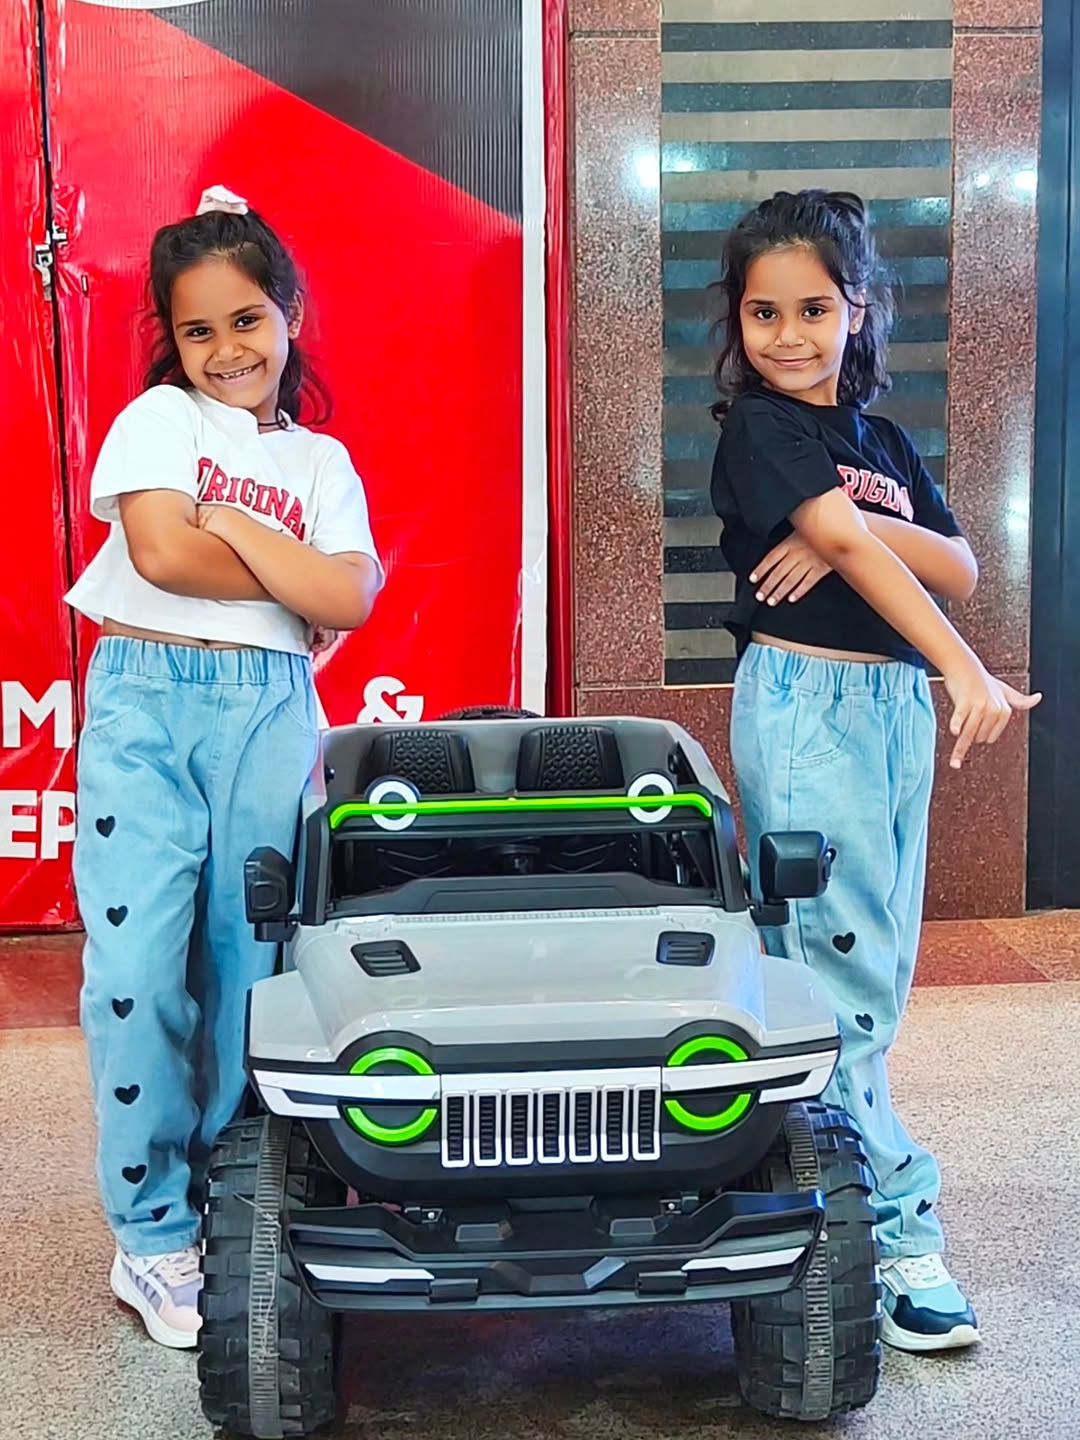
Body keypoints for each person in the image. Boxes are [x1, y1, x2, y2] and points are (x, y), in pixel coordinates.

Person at [710, 189, 1039, 1353]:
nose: (788, 335)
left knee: (876, 972)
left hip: (891, 712)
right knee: (837, 973)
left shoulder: (880, 444)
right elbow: (856, 546)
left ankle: (814, 1179)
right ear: (737, 321)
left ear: (858, 310)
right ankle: (895, 1229)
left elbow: (957, 561)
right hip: (809, 705)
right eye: (763, 312)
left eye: (814, 308)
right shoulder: (760, 429)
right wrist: (965, 667)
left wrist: (847, 525)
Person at [65, 185, 384, 1349]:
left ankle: (235, 1202)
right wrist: (295, 577)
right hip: (147, 700)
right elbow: (159, 553)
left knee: (253, 967)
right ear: (171, 338)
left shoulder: (323, 460)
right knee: (139, 967)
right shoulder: (159, 420)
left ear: (289, 312)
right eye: (197, 330)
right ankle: (151, 1229)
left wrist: (242, 527)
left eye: (247, 320)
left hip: (269, 712)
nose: (226, 350)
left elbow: (349, 596)